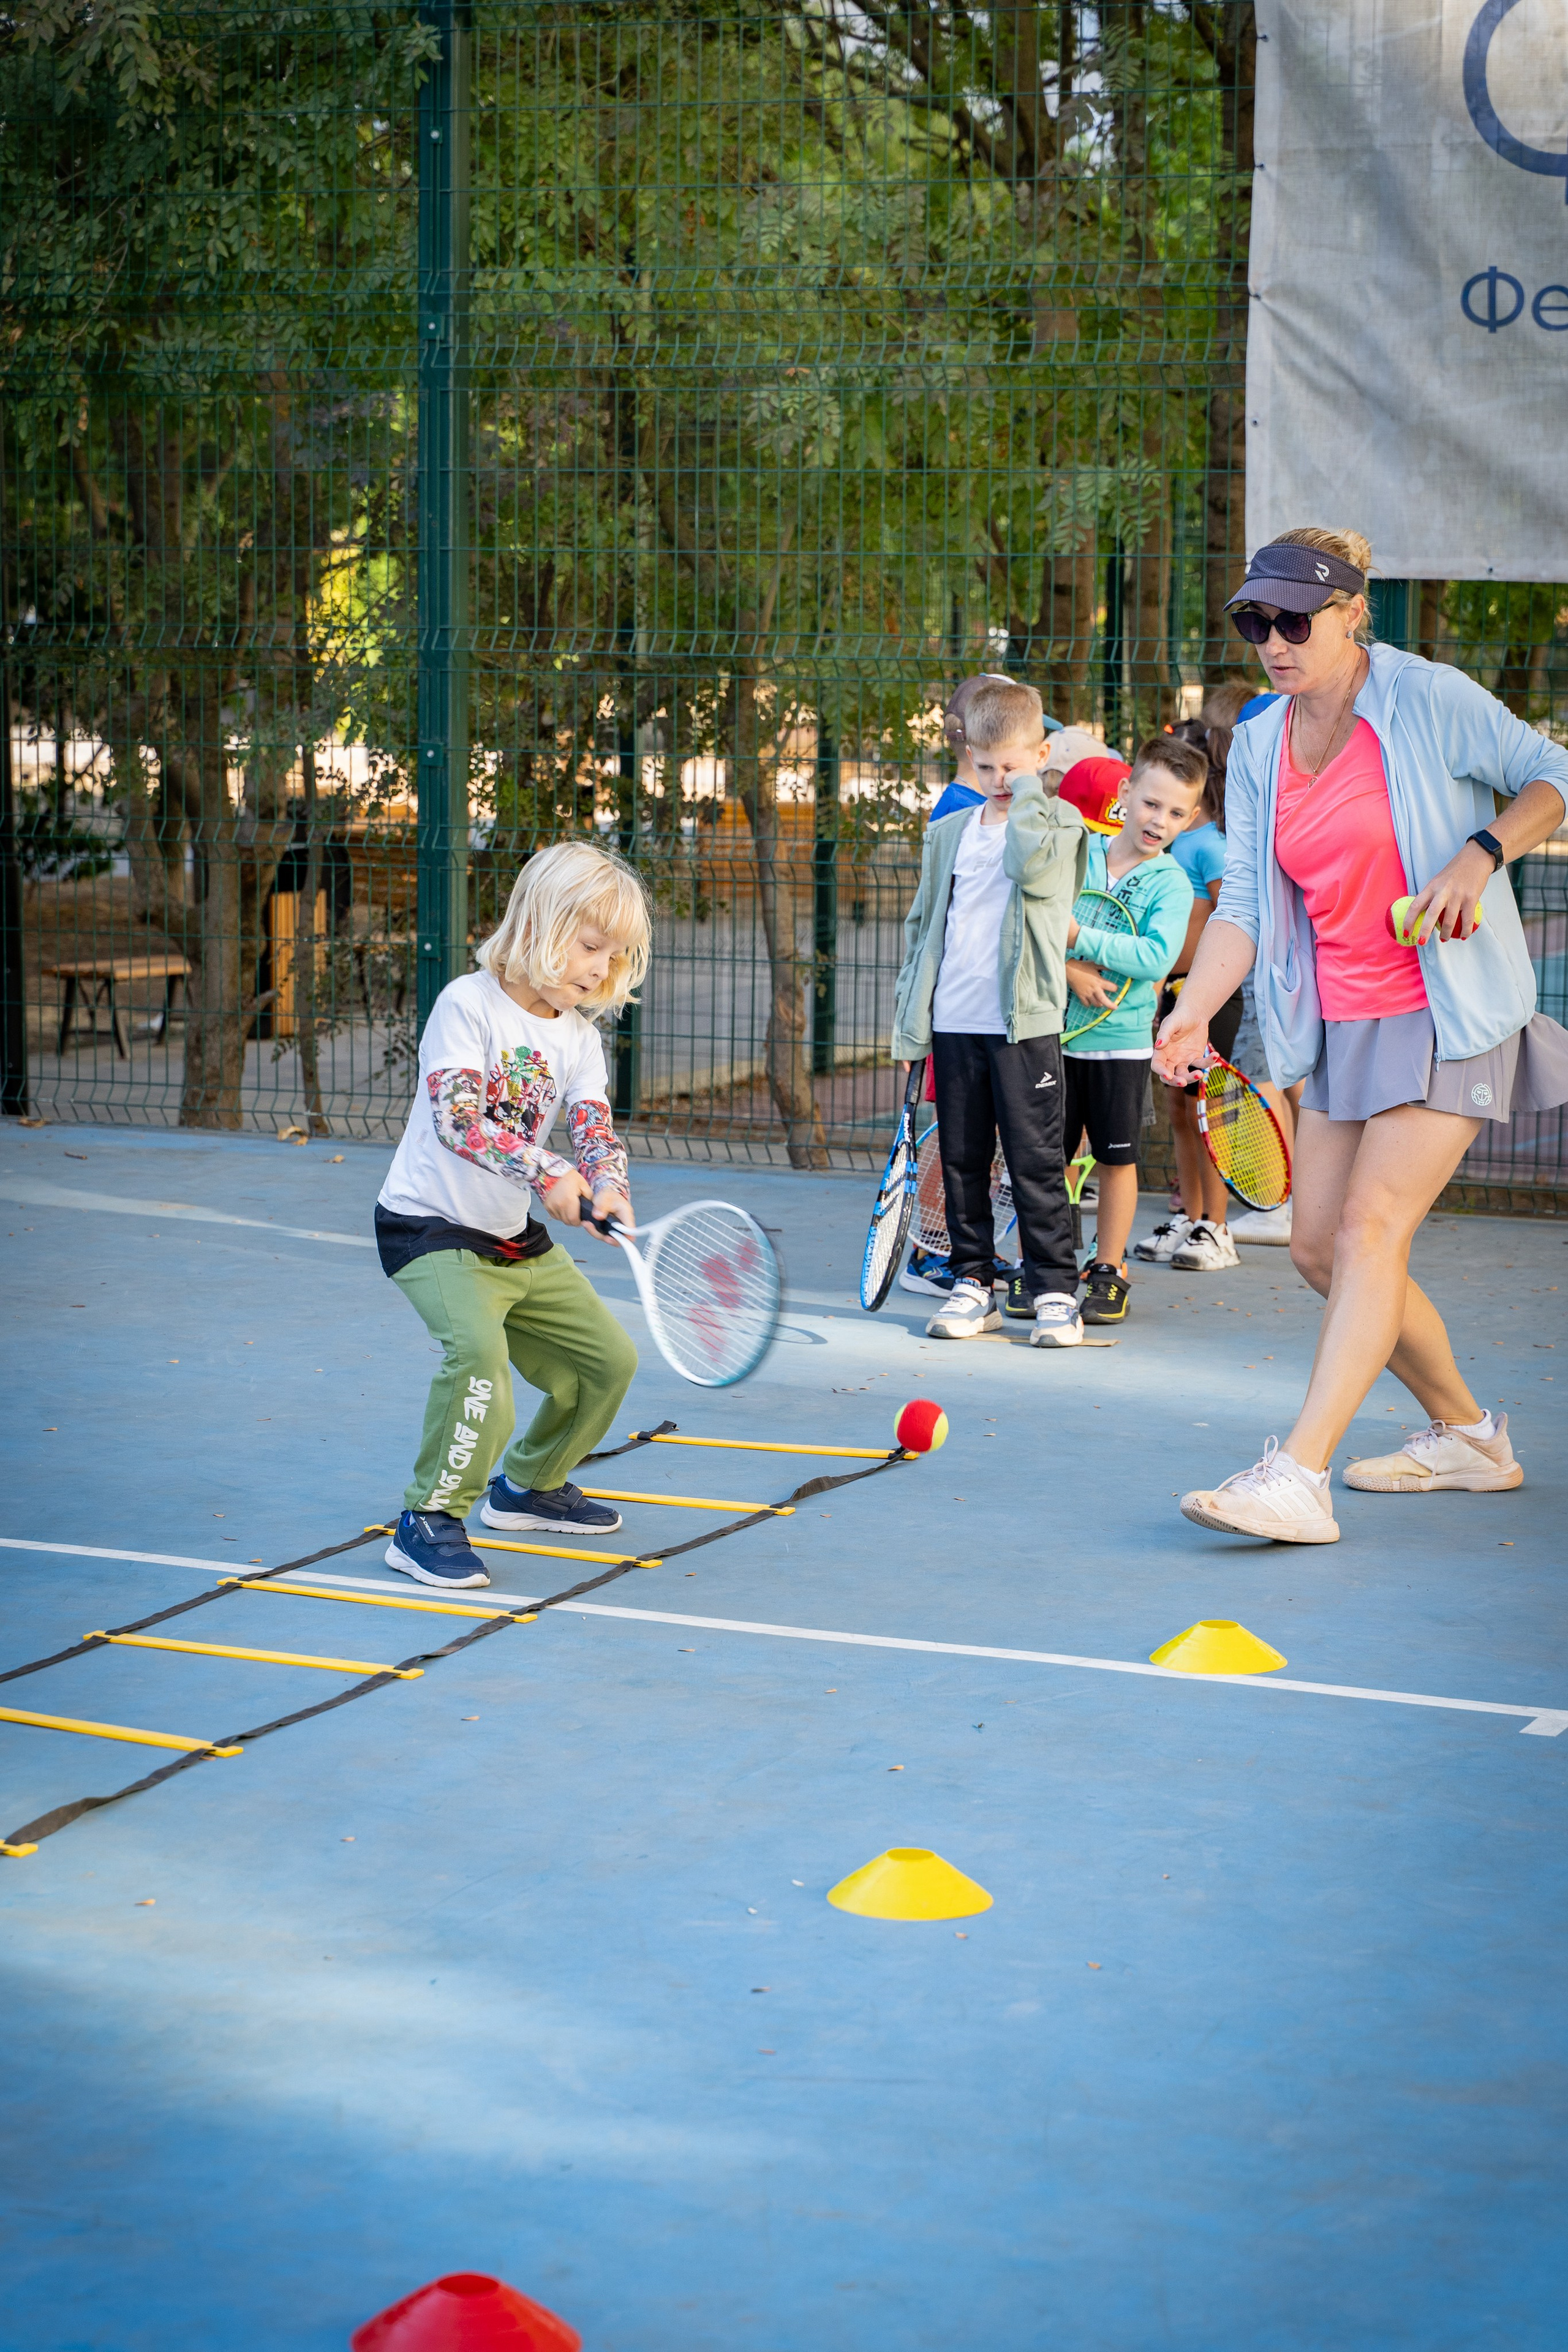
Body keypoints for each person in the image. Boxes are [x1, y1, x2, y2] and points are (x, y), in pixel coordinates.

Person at [1156, 526, 1568, 1544]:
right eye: (1257, 622)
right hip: (1341, 1022)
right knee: (1316, 1251)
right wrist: (1194, 1007)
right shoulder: (1261, 741)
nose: (1274, 641)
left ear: (1351, 615)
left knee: (1369, 1230)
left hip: (1448, 1008)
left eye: (1296, 621)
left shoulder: (1426, 697)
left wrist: (1481, 853)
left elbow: (1553, 773)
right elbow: (1246, 903)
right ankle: (1470, 1437)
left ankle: (1298, 1475)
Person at [374, 841, 649, 1587]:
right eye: (590, 946)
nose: (600, 969)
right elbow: (458, 1121)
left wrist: (607, 1184)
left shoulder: (578, 1036)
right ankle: (427, 1519)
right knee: (479, 1364)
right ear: (537, 925)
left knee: (605, 1365)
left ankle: (528, 1486)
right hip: (429, 1229)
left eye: (613, 956)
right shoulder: (466, 1005)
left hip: (510, 1237)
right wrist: (547, 1170)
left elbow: (594, 1129)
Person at [891, 676, 1089, 1346]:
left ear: (1042, 756)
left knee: (1035, 1162)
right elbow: (924, 929)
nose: (1000, 780)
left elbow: (1031, 870)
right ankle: (973, 1284)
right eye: (987, 768)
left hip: (1023, 1026)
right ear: (968, 758)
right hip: (955, 1025)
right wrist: (912, 1024)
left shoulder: (1058, 824)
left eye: (1013, 767)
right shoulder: (949, 831)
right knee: (962, 1161)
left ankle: (1055, 1291)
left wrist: (1030, 794)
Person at [1064, 737, 1205, 1323]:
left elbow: (1155, 958)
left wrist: (1079, 940)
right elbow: (1033, 923)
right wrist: (1068, 969)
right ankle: (1044, 1263)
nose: (1159, 821)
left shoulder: (1171, 883)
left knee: (1115, 1159)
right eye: (1150, 804)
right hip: (1053, 1037)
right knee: (1051, 1159)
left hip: (1119, 1044)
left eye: (1176, 813)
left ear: (1190, 819)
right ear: (1125, 794)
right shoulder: (1078, 853)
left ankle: (1108, 1268)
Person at [1134, 708, 1244, 1271]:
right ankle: (1192, 1217)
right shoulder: (1169, 845)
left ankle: (1217, 1228)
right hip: (1173, 993)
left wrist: (1204, 989)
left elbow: (1234, 920)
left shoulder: (1211, 847)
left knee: (1208, 1113)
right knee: (1179, 1109)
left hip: (1210, 998)